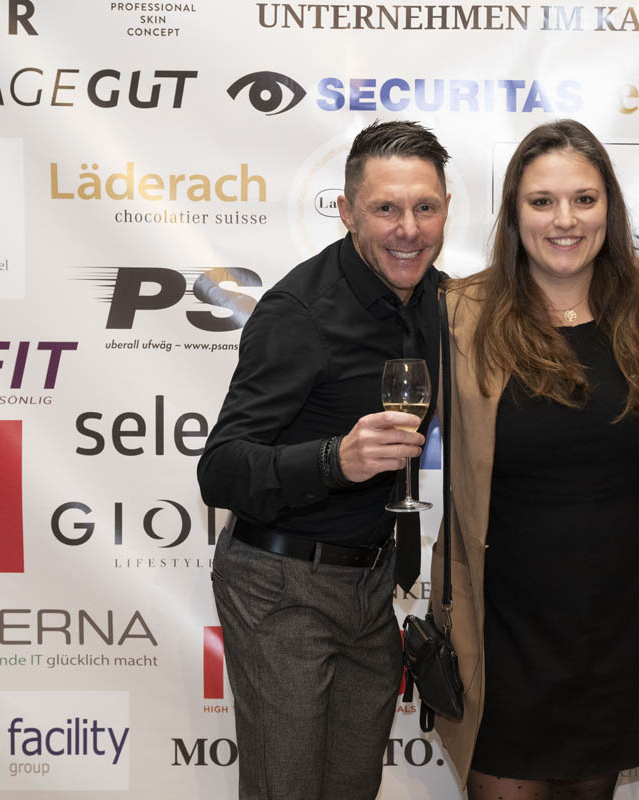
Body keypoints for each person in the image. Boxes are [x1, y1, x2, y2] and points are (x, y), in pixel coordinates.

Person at [197, 120, 451, 800]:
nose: (408, 229)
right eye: (386, 208)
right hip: (281, 587)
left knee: (351, 788)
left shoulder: (445, 301)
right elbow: (219, 469)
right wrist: (335, 459)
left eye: (425, 207)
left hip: (372, 586)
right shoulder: (299, 312)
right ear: (346, 212)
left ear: (446, 209)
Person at [429, 119, 639, 800]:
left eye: (584, 199)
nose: (565, 220)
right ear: (514, 214)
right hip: (502, 633)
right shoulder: (457, 314)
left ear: (609, 210)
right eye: (542, 201)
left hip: (616, 631)